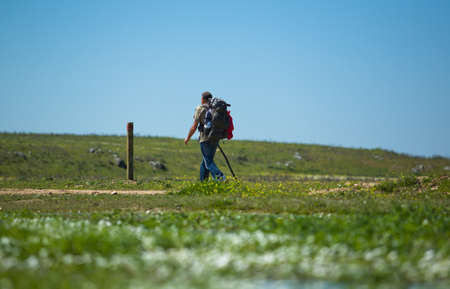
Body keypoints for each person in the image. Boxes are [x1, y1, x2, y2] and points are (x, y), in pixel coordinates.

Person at [184, 91, 226, 181]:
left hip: (205, 138)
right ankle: (203, 183)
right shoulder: (215, 108)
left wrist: (187, 138)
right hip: (215, 137)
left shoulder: (201, 108)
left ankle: (220, 177)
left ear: (203, 99)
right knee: (205, 161)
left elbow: (194, 126)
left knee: (208, 162)